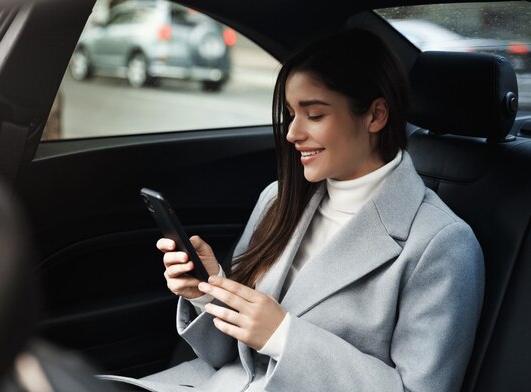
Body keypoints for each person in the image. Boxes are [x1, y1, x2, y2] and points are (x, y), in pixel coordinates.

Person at [102, 29, 484, 391]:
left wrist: (284, 336)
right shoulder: (277, 199)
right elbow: (229, 357)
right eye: (291, 113)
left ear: (375, 115)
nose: (291, 133)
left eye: (314, 115)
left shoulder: (442, 244)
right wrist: (208, 289)